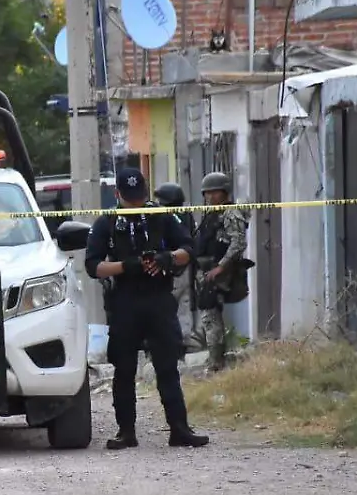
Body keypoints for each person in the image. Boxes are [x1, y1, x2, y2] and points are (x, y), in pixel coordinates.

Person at [85, 168, 209, 450]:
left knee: (167, 367)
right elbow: (93, 266)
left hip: (158, 299)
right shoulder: (107, 222)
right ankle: (126, 432)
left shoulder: (161, 215)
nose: (135, 203)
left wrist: (167, 258)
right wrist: (126, 266)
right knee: (124, 369)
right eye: (130, 199)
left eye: (139, 197)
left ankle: (179, 429)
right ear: (118, 195)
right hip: (125, 300)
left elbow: (189, 248)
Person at [193, 171, 251, 373]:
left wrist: (221, 267)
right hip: (207, 269)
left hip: (219, 271)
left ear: (224, 192)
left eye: (214, 193)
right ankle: (216, 359)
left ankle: (216, 361)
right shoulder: (211, 213)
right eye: (206, 193)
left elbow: (238, 242)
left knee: (210, 315)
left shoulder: (230, 213)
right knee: (209, 314)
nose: (209, 197)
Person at [152, 182, 196, 360]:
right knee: (183, 306)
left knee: (168, 307)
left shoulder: (167, 216)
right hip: (183, 267)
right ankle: (182, 343)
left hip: (171, 267)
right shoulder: (186, 215)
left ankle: (172, 345)